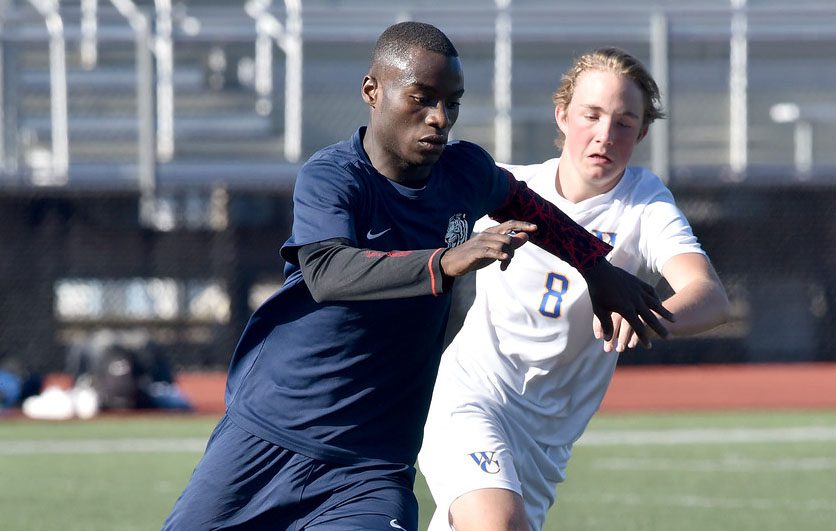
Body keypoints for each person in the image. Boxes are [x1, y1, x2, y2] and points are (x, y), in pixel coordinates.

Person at [163, 25, 674, 531]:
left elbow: (528, 205)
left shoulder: (463, 171)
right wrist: (444, 262)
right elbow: (327, 271)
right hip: (268, 435)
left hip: (371, 467)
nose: (439, 118)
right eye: (421, 99)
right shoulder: (333, 177)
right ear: (373, 91)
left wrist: (595, 266)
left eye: (452, 104)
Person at [418, 47, 731, 531]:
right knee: (496, 524)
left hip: (545, 442)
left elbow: (710, 297)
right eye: (592, 115)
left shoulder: (644, 205)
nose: (605, 134)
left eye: (625, 122)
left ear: (643, 133)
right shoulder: (511, 188)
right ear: (562, 115)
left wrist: (648, 313)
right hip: (471, 397)